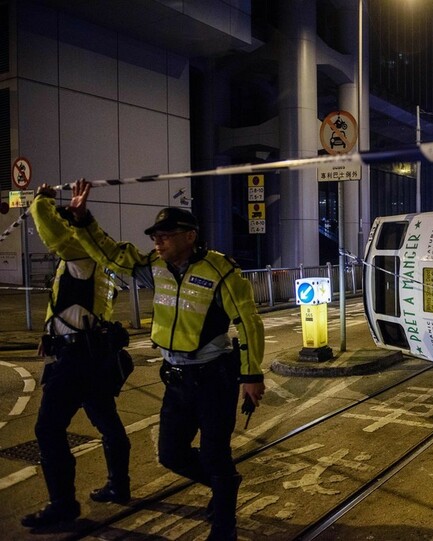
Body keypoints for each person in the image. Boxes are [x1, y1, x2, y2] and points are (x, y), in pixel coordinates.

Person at [68, 179, 265, 541]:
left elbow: (249, 324)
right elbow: (110, 254)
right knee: (171, 455)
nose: (157, 241)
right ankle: (224, 489)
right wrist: (83, 219)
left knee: (214, 454)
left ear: (190, 236)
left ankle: (225, 528)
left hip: (214, 377)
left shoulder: (221, 271)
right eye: (155, 235)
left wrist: (251, 376)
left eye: (166, 234)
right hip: (176, 379)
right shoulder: (152, 267)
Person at [21, 184, 132, 529]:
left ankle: (64, 506)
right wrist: (51, 337)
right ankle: (118, 485)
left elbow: (50, 229)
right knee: (106, 420)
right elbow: (73, 308)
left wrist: (42, 200)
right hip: (89, 354)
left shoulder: (81, 255)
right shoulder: (93, 263)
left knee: (48, 428)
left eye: (67, 223)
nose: (65, 227)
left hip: (77, 360)